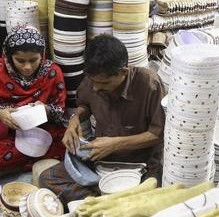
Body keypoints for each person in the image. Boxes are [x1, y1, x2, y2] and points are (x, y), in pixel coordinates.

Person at [39, 35, 166, 204]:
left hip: (140, 163)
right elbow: (84, 104)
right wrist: (74, 120)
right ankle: (101, 201)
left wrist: (115, 144)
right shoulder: (94, 78)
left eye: (104, 83)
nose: (96, 88)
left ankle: (107, 200)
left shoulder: (150, 84)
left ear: (123, 72)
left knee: (150, 199)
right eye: (92, 81)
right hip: (102, 158)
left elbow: (159, 134)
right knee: (48, 178)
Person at [0, 25, 67, 172]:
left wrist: (46, 110)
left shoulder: (52, 72)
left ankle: (25, 162)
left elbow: (59, 111)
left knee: (68, 144)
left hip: (43, 130)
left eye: (34, 60)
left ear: (42, 55)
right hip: (10, 132)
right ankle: (35, 161)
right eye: (20, 61)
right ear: (9, 57)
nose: (28, 67)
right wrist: (0, 114)